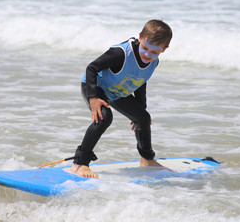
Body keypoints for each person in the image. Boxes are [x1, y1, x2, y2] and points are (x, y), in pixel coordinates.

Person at [70, 19, 173, 178]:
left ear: (164, 50)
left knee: (144, 118)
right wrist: (93, 97)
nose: (148, 54)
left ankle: (146, 159)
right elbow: (92, 68)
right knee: (104, 117)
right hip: (95, 86)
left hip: (118, 90)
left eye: (154, 52)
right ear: (140, 37)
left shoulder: (153, 62)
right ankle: (79, 163)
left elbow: (140, 82)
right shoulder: (121, 53)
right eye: (145, 48)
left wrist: (139, 111)